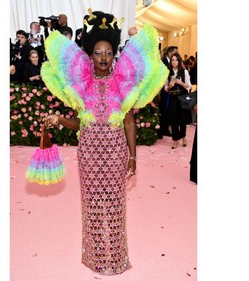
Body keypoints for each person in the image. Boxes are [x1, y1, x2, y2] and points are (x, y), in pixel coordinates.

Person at [42, 9, 168, 275]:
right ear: (90, 54)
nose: (103, 58)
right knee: (92, 203)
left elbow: (129, 122)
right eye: (98, 52)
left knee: (114, 204)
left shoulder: (123, 81)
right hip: (88, 151)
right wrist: (59, 119)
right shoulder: (82, 84)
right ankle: (96, 255)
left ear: (115, 55)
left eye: (109, 53)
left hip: (115, 153)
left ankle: (117, 256)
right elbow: (82, 123)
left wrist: (133, 157)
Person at [164, 52, 192, 148]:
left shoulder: (184, 72)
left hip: (182, 97)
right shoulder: (168, 72)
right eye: (172, 60)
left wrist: (181, 83)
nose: (174, 62)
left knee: (182, 118)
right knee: (174, 118)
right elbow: (165, 88)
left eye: (176, 60)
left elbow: (189, 86)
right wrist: (169, 86)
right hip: (173, 98)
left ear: (179, 61)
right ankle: (175, 139)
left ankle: (183, 136)